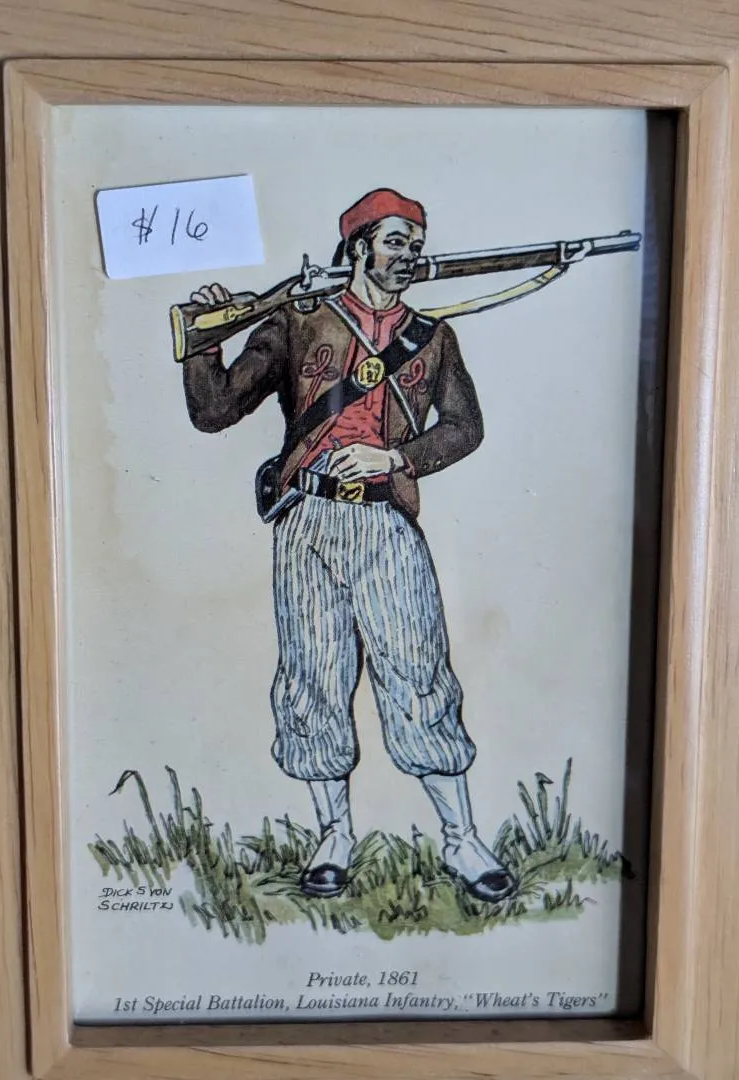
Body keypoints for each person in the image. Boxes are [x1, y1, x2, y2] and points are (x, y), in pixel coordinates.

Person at [183, 188, 515, 904]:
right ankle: (334, 836)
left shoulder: (430, 338)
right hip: (306, 521)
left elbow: (464, 428)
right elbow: (214, 410)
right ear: (359, 246)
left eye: (415, 244)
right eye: (395, 241)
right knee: (312, 680)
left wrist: (394, 459)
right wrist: (206, 338)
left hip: (385, 522)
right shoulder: (297, 320)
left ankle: (460, 838)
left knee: (419, 675)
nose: (409, 255)